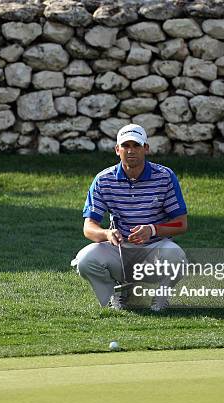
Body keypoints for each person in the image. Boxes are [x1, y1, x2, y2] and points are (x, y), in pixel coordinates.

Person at [72, 124, 188, 311]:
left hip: (154, 250)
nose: (131, 150)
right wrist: (107, 234)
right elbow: (89, 227)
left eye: (136, 145)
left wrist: (152, 229)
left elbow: (181, 223)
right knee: (85, 260)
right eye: (126, 146)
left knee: (177, 256)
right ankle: (116, 293)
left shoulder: (165, 176)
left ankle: (161, 297)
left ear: (146, 148)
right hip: (120, 250)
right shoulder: (103, 179)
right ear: (117, 150)